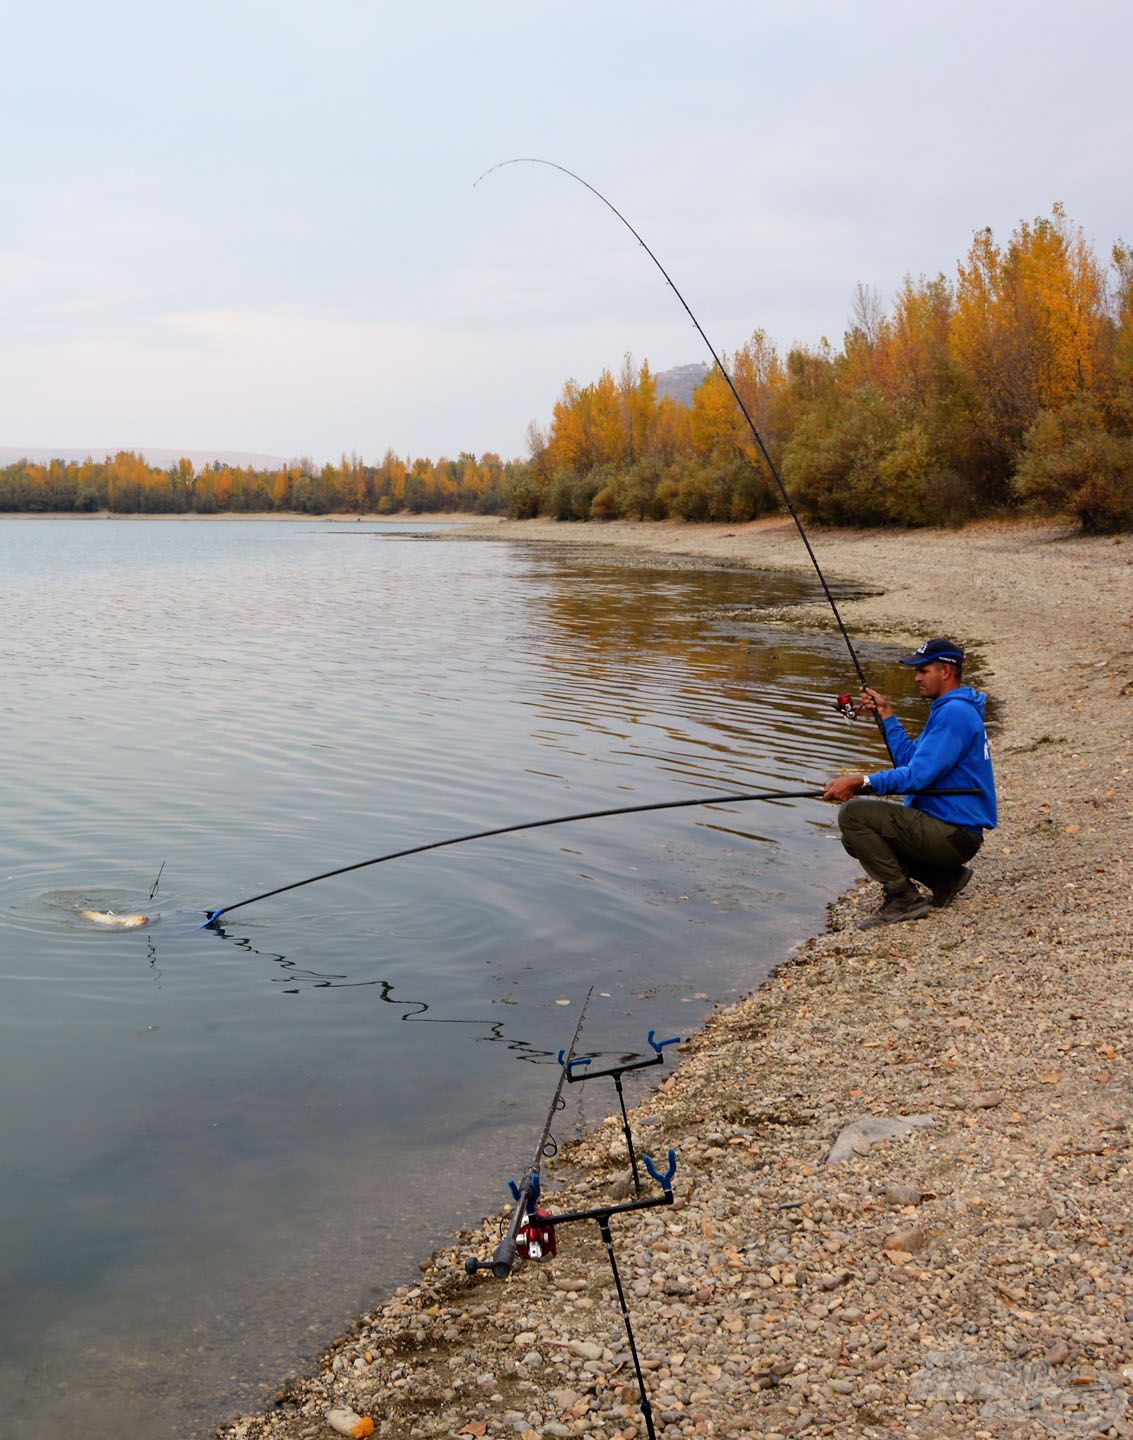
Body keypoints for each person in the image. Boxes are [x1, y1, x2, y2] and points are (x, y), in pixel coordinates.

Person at [822, 637, 997, 928]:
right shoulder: (949, 709)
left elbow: (917, 777)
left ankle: (904, 898)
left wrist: (860, 781)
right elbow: (911, 761)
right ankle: (945, 879)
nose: (916, 677)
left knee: (854, 817)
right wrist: (887, 714)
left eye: (923, 670)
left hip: (953, 834)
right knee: (854, 838)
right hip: (951, 831)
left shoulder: (955, 714)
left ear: (945, 671)